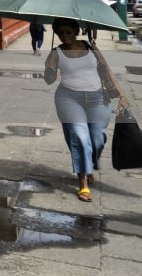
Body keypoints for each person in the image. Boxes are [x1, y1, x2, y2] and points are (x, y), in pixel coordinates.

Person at [43, 18, 128, 202]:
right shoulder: (56, 53)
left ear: (76, 31)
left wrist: (122, 95)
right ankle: (83, 183)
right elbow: (48, 80)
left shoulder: (91, 47)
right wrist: (49, 67)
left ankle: (90, 164)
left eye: (68, 32)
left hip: (98, 98)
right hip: (68, 98)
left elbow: (107, 69)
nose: (65, 36)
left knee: (97, 139)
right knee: (80, 137)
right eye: (60, 33)